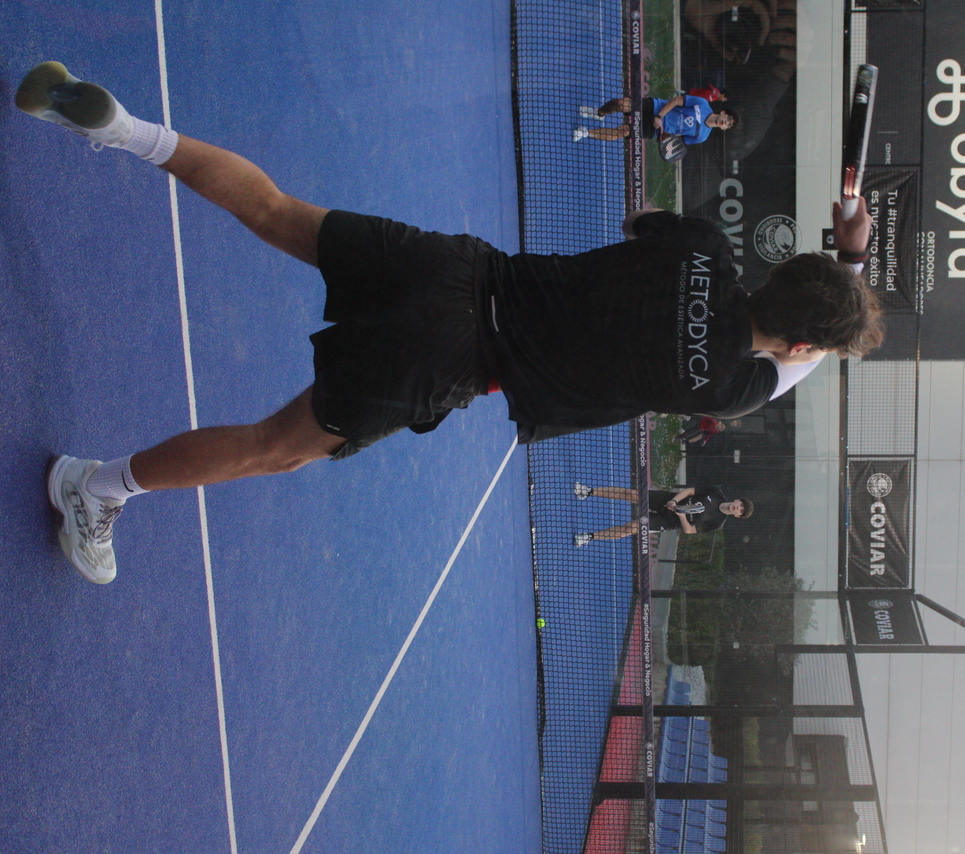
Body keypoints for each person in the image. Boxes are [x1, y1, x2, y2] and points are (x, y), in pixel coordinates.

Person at [17, 60, 880, 585]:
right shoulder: (726, 386)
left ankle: (128, 130)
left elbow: (639, 221)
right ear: (804, 343)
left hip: (456, 266)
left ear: (783, 269)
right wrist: (847, 278)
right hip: (449, 357)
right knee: (271, 447)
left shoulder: (706, 249)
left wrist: (844, 256)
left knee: (277, 209)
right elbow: (789, 368)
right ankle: (96, 488)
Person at [572, 483, 750, 546]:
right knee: (631, 494)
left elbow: (689, 530)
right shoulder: (716, 493)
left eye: (740, 511)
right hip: (667, 500)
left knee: (631, 527)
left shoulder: (717, 522)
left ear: (737, 516)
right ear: (737, 500)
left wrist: (681, 515)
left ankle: (589, 537)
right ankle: (588, 492)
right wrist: (674, 501)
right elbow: (690, 491)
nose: (738, 508)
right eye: (740, 505)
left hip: (668, 520)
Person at [572, 95, 737, 145]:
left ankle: (586, 132)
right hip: (656, 108)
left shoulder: (702, 136)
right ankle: (599, 113)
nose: (726, 123)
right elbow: (676, 100)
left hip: (655, 129)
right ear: (723, 112)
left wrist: (664, 137)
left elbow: (678, 141)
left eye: (728, 125)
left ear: (724, 129)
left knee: (623, 132)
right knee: (622, 104)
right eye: (728, 119)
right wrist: (660, 116)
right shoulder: (702, 104)